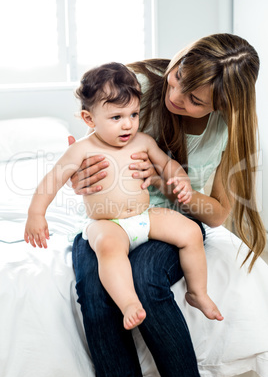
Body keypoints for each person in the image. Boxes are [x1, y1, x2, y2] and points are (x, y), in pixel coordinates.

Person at [69, 33, 267, 377]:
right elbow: (86, 158)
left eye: (193, 99)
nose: (174, 96)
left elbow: (219, 214)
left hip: (170, 219)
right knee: (96, 288)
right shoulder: (135, 84)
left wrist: (164, 182)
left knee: (146, 279)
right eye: (177, 76)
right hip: (113, 217)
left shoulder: (229, 128)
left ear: (222, 105)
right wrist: (80, 179)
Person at [24, 62, 223, 332]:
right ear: (89, 119)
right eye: (116, 117)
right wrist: (36, 214)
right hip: (108, 223)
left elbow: (167, 166)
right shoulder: (82, 150)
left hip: (144, 216)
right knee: (108, 248)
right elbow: (52, 180)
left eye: (134, 114)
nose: (128, 124)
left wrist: (181, 181)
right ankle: (129, 302)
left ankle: (197, 292)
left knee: (190, 232)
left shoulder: (142, 141)